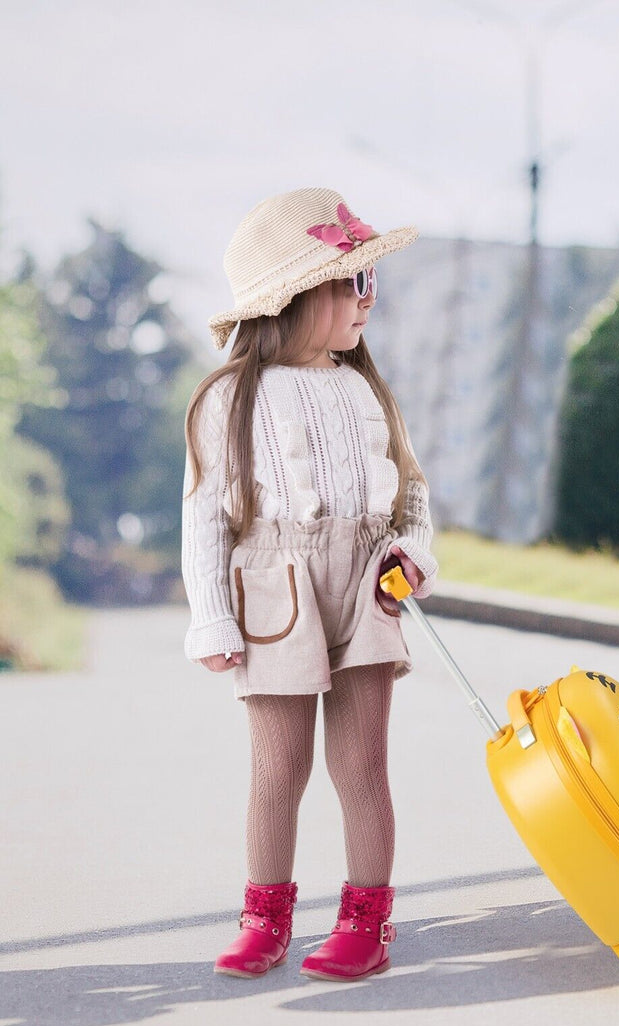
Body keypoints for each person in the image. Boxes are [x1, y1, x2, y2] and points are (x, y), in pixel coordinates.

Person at [181, 187, 437, 981]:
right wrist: (214, 619)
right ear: (292, 299)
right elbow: (204, 519)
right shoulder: (229, 398)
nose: (367, 300)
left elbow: (413, 494)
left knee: (362, 766)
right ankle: (265, 917)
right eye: (350, 282)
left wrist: (412, 554)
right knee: (277, 768)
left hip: (365, 585)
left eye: (370, 283)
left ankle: (367, 917)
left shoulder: (365, 388)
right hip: (273, 589)